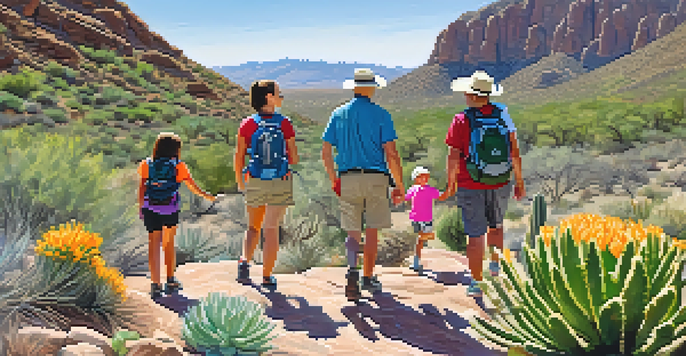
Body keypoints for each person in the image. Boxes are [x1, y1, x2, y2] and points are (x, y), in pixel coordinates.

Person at [440, 70, 526, 298]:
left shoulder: (461, 119)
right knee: (496, 226)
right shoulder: (503, 115)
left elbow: (453, 156)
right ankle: (495, 269)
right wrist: (519, 181)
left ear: (470, 94)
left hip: (471, 184)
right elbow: (514, 151)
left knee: (475, 234)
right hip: (501, 181)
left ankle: (478, 283)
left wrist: (450, 185)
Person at [321, 68, 404, 301]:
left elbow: (326, 152)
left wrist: (333, 179)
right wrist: (399, 184)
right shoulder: (381, 114)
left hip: (347, 178)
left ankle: (351, 271)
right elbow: (392, 153)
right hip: (376, 178)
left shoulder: (338, 114)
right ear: (372, 88)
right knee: (372, 229)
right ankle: (368, 277)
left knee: (352, 231)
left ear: (354, 87)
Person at [234, 80, 299, 291]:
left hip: (255, 180)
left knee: (253, 227)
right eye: (279, 94)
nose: (281, 97)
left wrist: (240, 182)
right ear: (269, 97)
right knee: (271, 229)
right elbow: (294, 158)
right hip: (279, 181)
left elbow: (239, 156)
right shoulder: (285, 123)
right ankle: (267, 276)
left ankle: (245, 261)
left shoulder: (247, 124)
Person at [138, 132, 217, 299]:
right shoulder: (178, 166)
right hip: (169, 208)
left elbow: (142, 188)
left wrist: (141, 207)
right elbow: (192, 186)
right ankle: (170, 279)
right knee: (168, 244)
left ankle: (155, 284)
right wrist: (206, 196)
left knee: (153, 245)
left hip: (150, 207)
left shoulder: (146, 164)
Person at [405, 166, 441, 275]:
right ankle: (416, 261)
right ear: (415, 178)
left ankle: (416, 260)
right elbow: (406, 198)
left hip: (427, 219)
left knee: (422, 238)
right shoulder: (412, 189)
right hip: (416, 218)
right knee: (419, 238)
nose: (424, 179)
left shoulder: (430, 190)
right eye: (421, 177)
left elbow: (440, 195)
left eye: (426, 177)